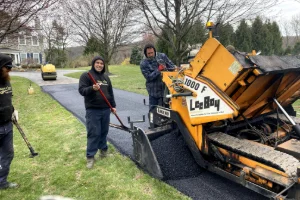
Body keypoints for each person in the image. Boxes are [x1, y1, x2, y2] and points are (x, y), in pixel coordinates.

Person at [78, 56, 116, 169]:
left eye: (101, 63)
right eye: (97, 63)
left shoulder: (105, 78)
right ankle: (90, 157)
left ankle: (103, 151)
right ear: (93, 64)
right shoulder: (86, 75)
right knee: (94, 133)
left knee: (104, 131)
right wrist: (92, 88)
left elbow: (110, 93)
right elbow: (81, 90)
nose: (99, 65)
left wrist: (113, 106)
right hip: (93, 110)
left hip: (105, 109)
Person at [0, 53, 18, 189]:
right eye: (8, 68)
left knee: (8, 153)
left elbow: (7, 99)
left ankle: (2, 182)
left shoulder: (6, 81)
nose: (9, 70)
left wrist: (13, 111)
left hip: (7, 125)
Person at [140, 44, 176, 109]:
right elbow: (148, 77)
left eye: (152, 53)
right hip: (153, 91)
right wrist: (158, 70)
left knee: (167, 111)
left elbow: (172, 66)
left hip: (165, 89)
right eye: (149, 53)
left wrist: (167, 68)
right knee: (153, 111)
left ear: (155, 51)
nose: (151, 55)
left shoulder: (162, 56)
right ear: (145, 54)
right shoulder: (143, 63)